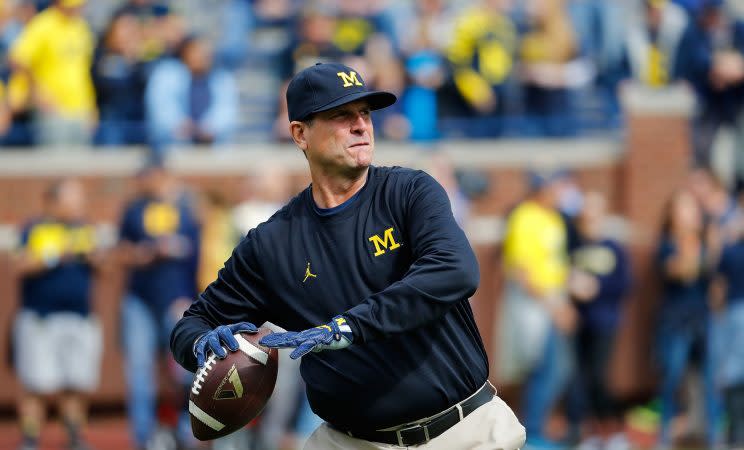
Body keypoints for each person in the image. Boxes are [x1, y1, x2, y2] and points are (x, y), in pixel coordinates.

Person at [171, 62, 526, 450]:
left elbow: (455, 270)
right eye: (341, 115)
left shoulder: (409, 191)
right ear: (300, 133)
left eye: (365, 113)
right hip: (351, 441)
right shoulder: (272, 242)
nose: (361, 125)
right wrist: (205, 346)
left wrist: (349, 327)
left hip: (462, 430)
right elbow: (192, 324)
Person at [11, 179, 103, 450]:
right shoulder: (35, 228)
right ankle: (29, 438)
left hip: (79, 316)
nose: (78, 206)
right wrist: (54, 255)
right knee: (36, 385)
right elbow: (19, 265)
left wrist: (94, 257)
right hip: (41, 318)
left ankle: (74, 437)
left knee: (75, 383)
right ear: (54, 202)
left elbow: (105, 267)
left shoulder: (85, 228)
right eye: (72, 199)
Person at [118, 162, 201, 450]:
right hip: (140, 299)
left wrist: (191, 299)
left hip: (177, 300)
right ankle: (144, 437)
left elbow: (198, 260)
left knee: (186, 369)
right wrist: (146, 253)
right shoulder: (134, 210)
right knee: (140, 371)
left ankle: (187, 431)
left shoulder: (187, 209)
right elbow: (122, 252)